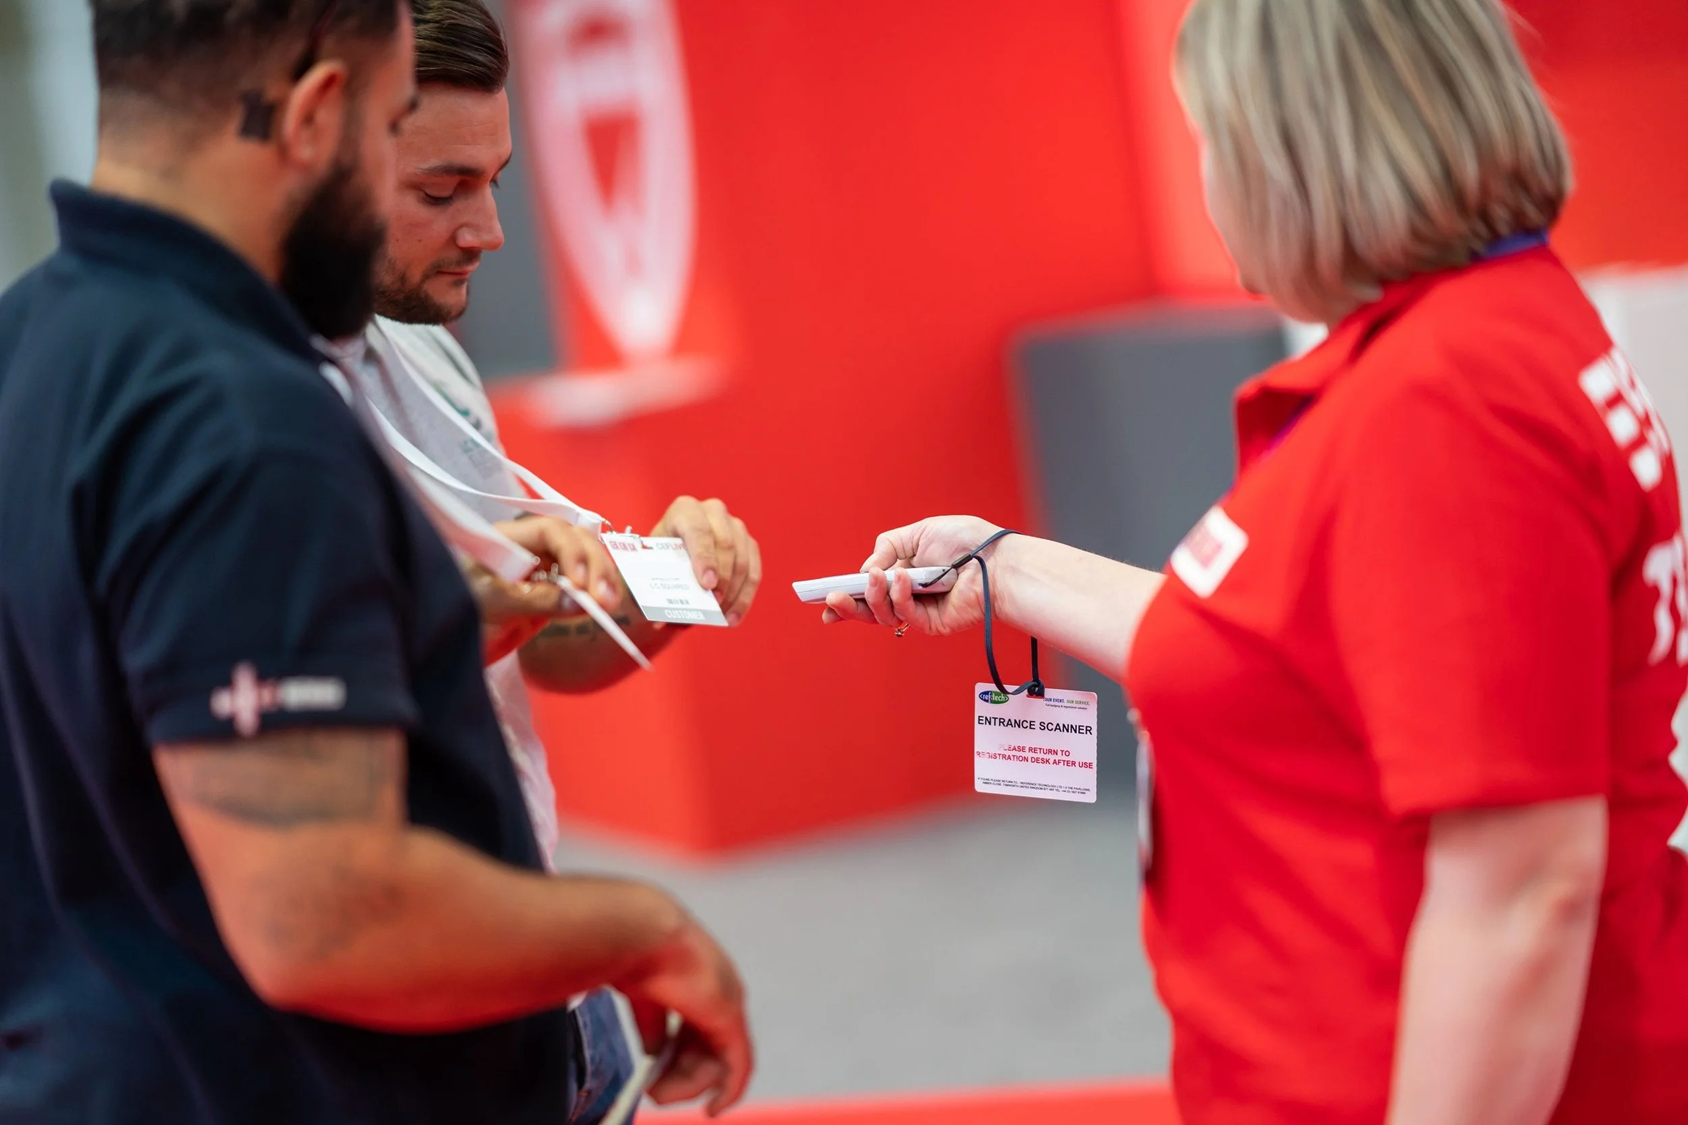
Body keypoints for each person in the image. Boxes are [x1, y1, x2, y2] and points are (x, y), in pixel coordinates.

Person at [825, 1, 1688, 1122]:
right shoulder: (1478, 337)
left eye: (1209, 139)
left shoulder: (1444, 406)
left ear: (1289, 153)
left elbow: (1521, 892)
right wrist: (1005, 567)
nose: (1207, 182)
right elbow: (1286, 653)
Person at [0, 2, 750, 1122]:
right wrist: (644, 929)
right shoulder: (242, 417)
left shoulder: (32, 343)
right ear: (317, 116)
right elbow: (322, 916)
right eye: (402, 132)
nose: (483, 227)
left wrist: (451, 607)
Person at [324, 2, 765, 1118]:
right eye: (441, 191)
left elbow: (544, 655)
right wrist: (478, 606)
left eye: (493, 181)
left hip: (545, 974)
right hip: (400, 1023)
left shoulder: (426, 355)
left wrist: (662, 591)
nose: (488, 229)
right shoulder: (242, 415)